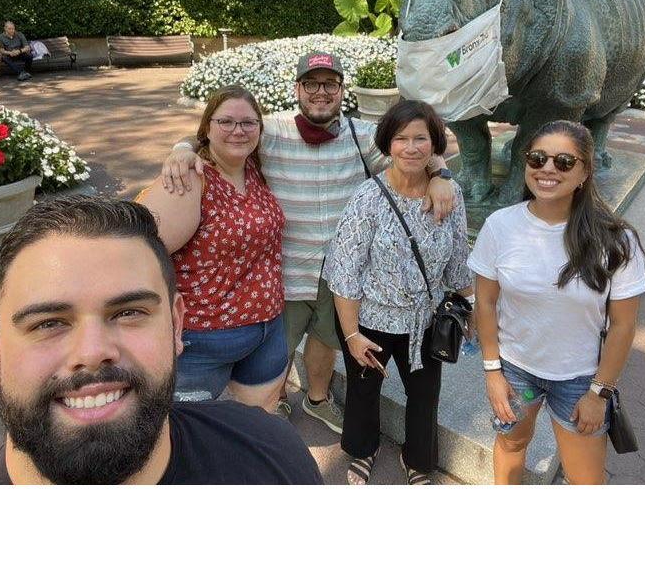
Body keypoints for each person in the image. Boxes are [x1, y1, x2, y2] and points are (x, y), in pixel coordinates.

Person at [0, 196, 322, 485]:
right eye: (48, 323)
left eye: (129, 313)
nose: (93, 352)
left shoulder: (272, 455)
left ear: (176, 326)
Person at [161, 52, 456, 435]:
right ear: (297, 88)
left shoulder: (362, 134)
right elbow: (218, 132)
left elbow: (424, 145)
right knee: (278, 347)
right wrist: (182, 150)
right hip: (283, 266)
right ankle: (272, 398)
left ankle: (317, 400)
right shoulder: (270, 129)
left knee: (325, 339)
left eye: (330, 84)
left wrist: (440, 174)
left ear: (341, 90)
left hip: (340, 273)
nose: (321, 92)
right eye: (312, 84)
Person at [469, 120, 645, 485]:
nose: (548, 169)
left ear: (584, 172)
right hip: (515, 368)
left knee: (586, 480)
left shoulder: (616, 239)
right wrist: (492, 373)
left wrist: (599, 393)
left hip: (581, 378)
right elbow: (485, 303)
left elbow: (624, 325)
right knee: (511, 444)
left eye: (564, 162)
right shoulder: (500, 225)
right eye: (538, 158)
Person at [322, 100, 473, 485]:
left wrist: (471, 308)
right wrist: (353, 336)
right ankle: (362, 449)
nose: (410, 147)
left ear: (434, 144)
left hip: (423, 320)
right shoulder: (367, 198)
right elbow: (345, 272)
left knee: (425, 396)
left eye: (420, 138)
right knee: (363, 390)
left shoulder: (448, 195)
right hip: (369, 319)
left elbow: (458, 260)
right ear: (387, 144)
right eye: (401, 138)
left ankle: (417, 458)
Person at [138, 85, 287, 413]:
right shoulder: (191, 177)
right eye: (227, 122)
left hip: (267, 329)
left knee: (257, 428)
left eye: (248, 123)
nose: (238, 131)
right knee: (184, 436)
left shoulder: (254, 170)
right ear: (207, 128)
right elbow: (137, 253)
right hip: (203, 340)